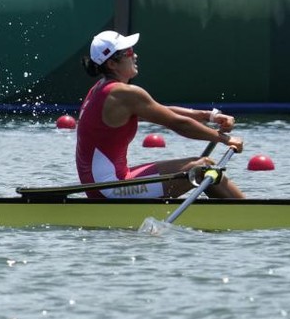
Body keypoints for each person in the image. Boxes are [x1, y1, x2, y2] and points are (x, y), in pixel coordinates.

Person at [76, 30, 245, 199]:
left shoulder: (101, 89)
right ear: (112, 64)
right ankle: (246, 213)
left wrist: (209, 116)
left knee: (203, 168)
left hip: (105, 184)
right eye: (128, 52)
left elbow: (162, 111)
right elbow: (178, 124)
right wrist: (225, 139)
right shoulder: (122, 94)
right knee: (203, 169)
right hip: (109, 188)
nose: (135, 55)